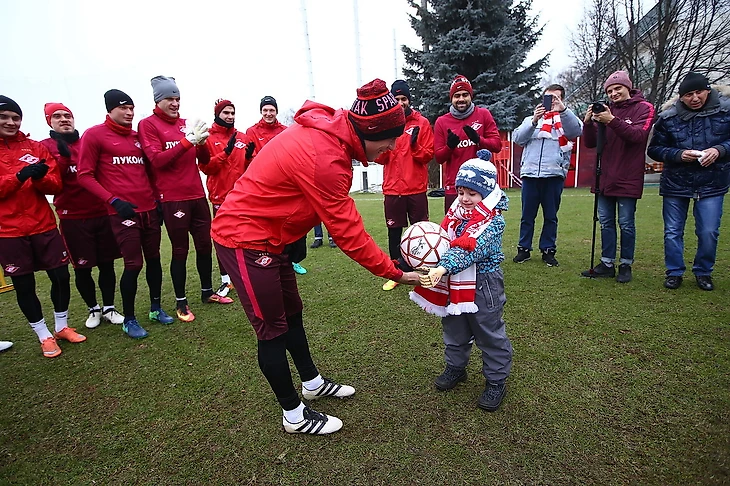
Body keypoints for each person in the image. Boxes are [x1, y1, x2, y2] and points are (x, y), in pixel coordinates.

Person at [211, 79, 421, 435]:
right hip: (243, 240)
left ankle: (311, 382)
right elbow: (348, 232)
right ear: (370, 130)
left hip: (271, 240)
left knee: (292, 315)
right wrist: (395, 272)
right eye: (389, 138)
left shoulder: (329, 136)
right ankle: (293, 415)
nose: (391, 148)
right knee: (272, 331)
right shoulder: (325, 155)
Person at [413, 149, 512, 412]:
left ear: (487, 193)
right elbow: (443, 242)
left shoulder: (493, 221)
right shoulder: (455, 215)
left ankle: (496, 380)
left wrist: (442, 268)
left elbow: (471, 248)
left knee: (488, 333)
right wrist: (424, 259)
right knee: (454, 327)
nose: (465, 199)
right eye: (461, 192)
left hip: (484, 284)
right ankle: (456, 368)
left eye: (472, 193)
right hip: (453, 281)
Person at [78, 89, 176, 339]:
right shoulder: (94, 135)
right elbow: (84, 175)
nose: (129, 112)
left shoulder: (136, 137)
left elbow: (151, 172)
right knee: (134, 264)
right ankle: (129, 319)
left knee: (154, 260)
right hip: (122, 213)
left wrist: (157, 202)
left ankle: (155, 308)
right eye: (123, 108)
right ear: (110, 110)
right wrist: (113, 200)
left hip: (149, 210)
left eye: (131, 108)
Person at [138, 76, 233, 323]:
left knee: (204, 245)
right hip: (173, 199)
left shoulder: (185, 123)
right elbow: (157, 160)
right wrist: (186, 141)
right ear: (158, 100)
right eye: (170, 98)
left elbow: (201, 159)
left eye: (177, 98)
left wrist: (200, 144)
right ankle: (181, 302)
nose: (175, 103)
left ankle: (207, 292)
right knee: (180, 250)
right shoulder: (148, 125)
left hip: (197, 194)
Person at [0, 95, 85, 357]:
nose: (11, 122)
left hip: (43, 223)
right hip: (9, 231)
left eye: (15, 117)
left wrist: (38, 179)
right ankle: (43, 335)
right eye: (4, 118)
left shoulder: (35, 147)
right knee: (24, 285)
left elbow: (55, 183)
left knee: (60, 276)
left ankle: (61, 326)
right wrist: (19, 176)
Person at [40, 103, 124, 329]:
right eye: (57, 116)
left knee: (107, 264)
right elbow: (50, 185)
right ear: (49, 121)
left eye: (67, 115)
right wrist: (63, 161)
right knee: (83, 267)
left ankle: (109, 307)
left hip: (101, 212)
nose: (63, 119)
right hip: (73, 217)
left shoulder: (87, 141)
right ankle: (93, 309)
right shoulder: (44, 147)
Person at [647, 73, 730, 291]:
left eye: (698, 92)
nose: (694, 98)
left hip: (713, 181)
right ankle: (674, 272)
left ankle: (704, 272)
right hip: (676, 181)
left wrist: (719, 150)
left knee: (709, 231)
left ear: (708, 91)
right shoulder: (667, 117)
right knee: (673, 230)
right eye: (688, 94)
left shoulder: (726, 110)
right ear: (681, 97)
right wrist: (678, 154)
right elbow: (654, 148)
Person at [580, 71, 655, 283]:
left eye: (617, 89)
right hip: (604, 177)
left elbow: (638, 136)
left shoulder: (644, 108)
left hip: (628, 176)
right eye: (609, 91)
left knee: (626, 223)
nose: (614, 93)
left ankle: (625, 264)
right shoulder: (605, 110)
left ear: (628, 88)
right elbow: (592, 143)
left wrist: (612, 120)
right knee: (605, 222)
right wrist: (588, 123)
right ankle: (606, 263)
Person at [512, 84, 582, 267]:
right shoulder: (531, 119)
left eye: (556, 98)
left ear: (562, 100)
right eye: (548, 98)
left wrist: (563, 111)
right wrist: (534, 120)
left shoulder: (566, 120)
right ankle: (523, 249)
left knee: (551, 216)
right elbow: (518, 138)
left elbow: (577, 131)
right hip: (530, 174)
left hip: (553, 174)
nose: (551, 102)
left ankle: (548, 250)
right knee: (527, 215)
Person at [377, 80, 434, 291]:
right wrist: (386, 142)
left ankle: (425, 269)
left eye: (404, 99)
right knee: (394, 232)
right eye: (396, 99)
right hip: (393, 189)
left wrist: (415, 145)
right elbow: (379, 158)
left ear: (409, 100)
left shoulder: (422, 123)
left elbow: (428, 154)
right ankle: (396, 273)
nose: (400, 103)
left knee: (421, 231)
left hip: (416, 188)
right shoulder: (386, 125)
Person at [246, 96, 309, 275]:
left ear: (276, 111)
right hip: (264, 188)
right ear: (261, 111)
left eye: (271, 110)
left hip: (286, 186)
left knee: (290, 223)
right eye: (265, 110)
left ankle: (293, 260)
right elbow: (251, 160)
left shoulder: (284, 130)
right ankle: (270, 260)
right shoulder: (252, 131)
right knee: (267, 227)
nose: (268, 113)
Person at [200, 99, 252, 295]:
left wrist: (248, 157)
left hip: (243, 196)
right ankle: (226, 280)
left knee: (246, 235)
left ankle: (245, 274)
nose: (230, 117)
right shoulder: (208, 138)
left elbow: (248, 169)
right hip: (220, 197)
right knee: (223, 239)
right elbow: (206, 168)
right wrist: (225, 153)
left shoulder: (242, 137)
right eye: (226, 113)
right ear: (217, 115)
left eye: (232, 113)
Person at [434, 74, 502, 212]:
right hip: (455, 187)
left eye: (465, 95)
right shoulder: (442, 121)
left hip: (482, 185)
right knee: (455, 230)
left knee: (484, 229)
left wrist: (479, 140)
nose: (461, 99)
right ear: (451, 98)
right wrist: (450, 147)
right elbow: (439, 157)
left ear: (471, 96)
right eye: (457, 95)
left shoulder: (483, 115)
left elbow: (497, 145)